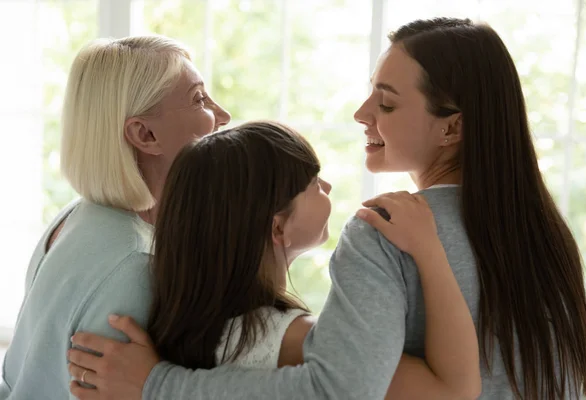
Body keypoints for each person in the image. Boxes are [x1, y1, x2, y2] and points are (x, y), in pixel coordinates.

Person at [67, 17, 586, 400]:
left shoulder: (385, 233)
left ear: (452, 127)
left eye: (386, 103)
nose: (362, 113)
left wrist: (157, 385)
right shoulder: (549, 235)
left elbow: (338, 389)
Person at [68, 120, 480, 399]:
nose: (328, 185)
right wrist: (429, 252)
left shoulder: (193, 321)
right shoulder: (288, 339)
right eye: (313, 182)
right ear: (278, 227)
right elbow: (455, 390)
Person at [0, 35, 230, 399]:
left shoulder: (74, 216)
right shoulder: (136, 265)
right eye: (199, 98)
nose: (223, 116)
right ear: (144, 134)